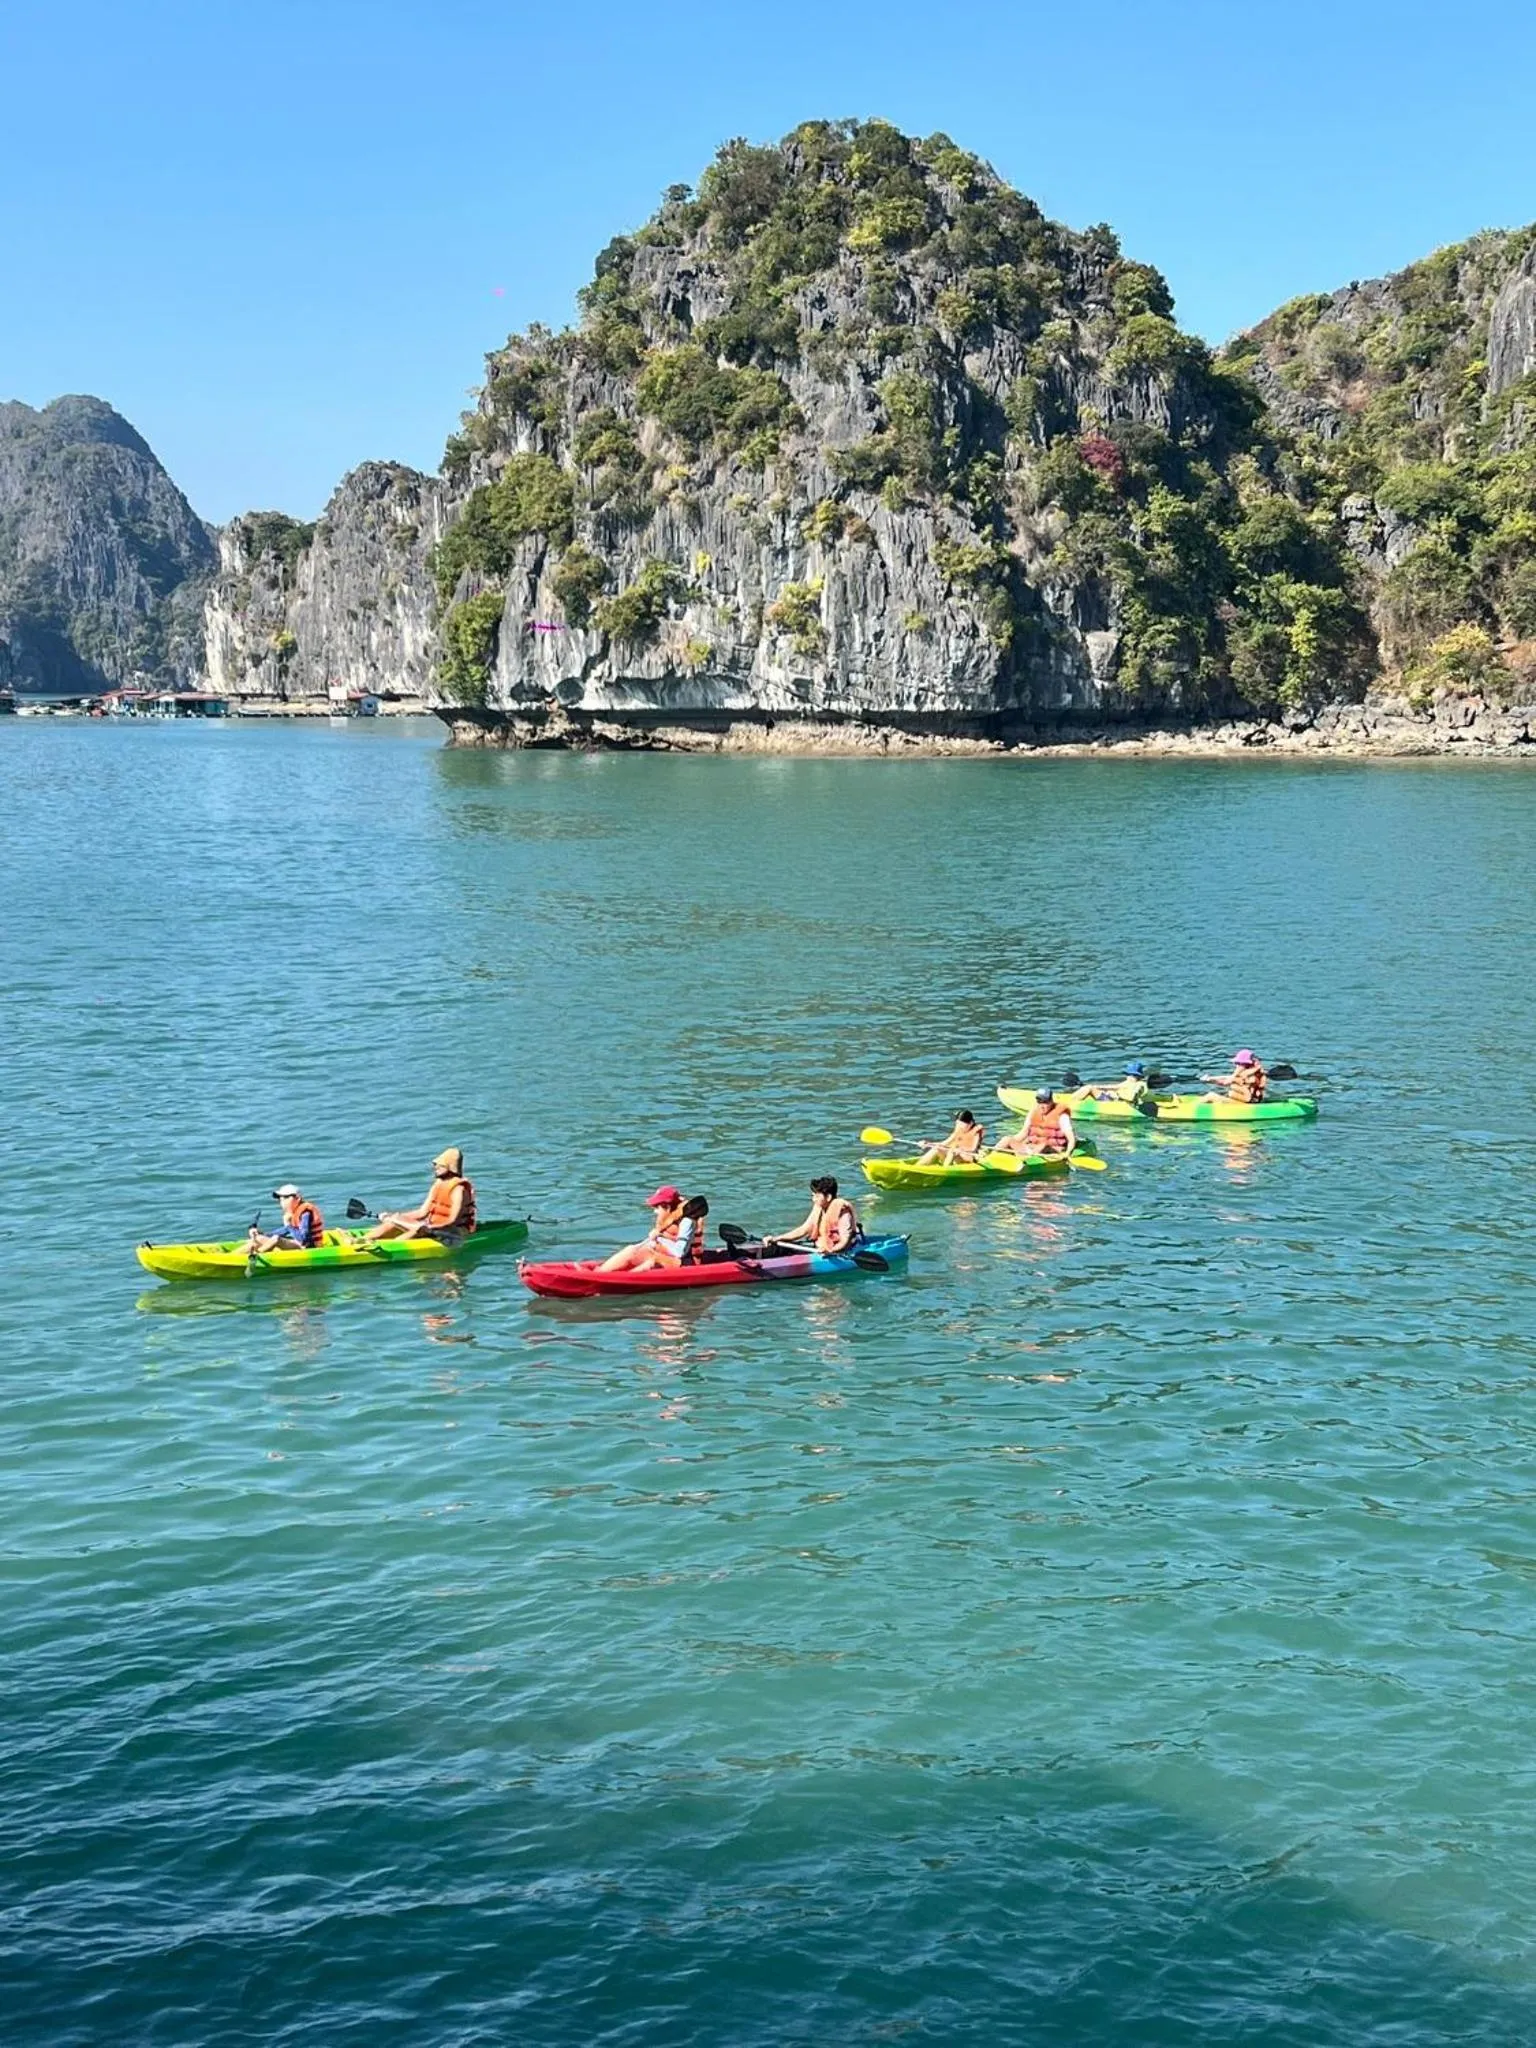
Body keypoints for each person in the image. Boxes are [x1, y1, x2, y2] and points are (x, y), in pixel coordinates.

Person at [362, 1148, 477, 1243]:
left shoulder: (458, 1189)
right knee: (394, 1220)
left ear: (450, 1167)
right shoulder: (438, 1185)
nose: (435, 1167)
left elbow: (453, 1220)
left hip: (454, 1231)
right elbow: (422, 1212)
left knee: (417, 1230)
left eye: (440, 1166)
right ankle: (364, 1239)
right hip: (432, 1226)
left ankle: (390, 1246)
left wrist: (430, 1227)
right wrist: (396, 1217)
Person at [598, 1186, 708, 1273]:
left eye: (657, 1208)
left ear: (667, 1207)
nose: (655, 1211)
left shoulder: (687, 1222)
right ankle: (600, 1273)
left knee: (651, 1260)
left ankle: (614, 1283)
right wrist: (652, 1242)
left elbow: (679, 1253)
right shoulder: (668, 1217)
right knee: (631, 1249)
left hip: (684, 1263)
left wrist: (659, 1241)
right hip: (669, 1257)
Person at [773, 1175, 862, 1256]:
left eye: (817, 1196)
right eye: (813, 1196)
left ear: (828, 1197)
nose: (813, 1199)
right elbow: (804, 1230)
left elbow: (845, 1241)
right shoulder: (819, 1208)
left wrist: (830, 1250)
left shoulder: (843, 1212)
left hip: (837, 1250)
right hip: (819, 1247)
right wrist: (777, 1238)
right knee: (775, 1250)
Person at [993, 1088, 1077, 1158]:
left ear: (1051, 1101)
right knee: (1006, 1139)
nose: (1042, 1105)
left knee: (1042, 1146)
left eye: (1045, 1102)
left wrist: (1067, 1153)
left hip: (1053, 1150)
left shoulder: (1062, 1116)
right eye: (1040, 1102)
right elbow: (1023, 1133)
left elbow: (1071, 1138)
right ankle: (989, 1157)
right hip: (1032, 1148)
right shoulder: (1033, 1112)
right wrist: (1010, 1142)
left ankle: (1026, 1160)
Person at [249, 1183, 326, 1255]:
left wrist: (288, 1224)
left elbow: (303, 1239)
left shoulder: (305, 1213)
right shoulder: (294, 1212)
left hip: (310, 1248)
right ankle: (239, 1256)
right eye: (280, 1198)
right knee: (259, 1238)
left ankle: (255, 1255)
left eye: (286, 1197)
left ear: (297, 1198)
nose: (282, 1201)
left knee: (277, 1239)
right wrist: (262, 1234)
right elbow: (285, 1230)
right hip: (298, 1244)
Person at [913, 1110, 986, 1166]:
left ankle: (944, 1171)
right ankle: (917, 1167)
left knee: (952, 1152)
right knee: (937, 1148)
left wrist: (960, 1150)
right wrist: (928, 1143)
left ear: (971, 1123)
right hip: (955, 1155)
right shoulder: (959, 1129)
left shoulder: (976, 1131)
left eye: (962, 1125)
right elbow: (946, 1142)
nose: (960, 1126)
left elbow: (973, 1149)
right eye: (958, 1124)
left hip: (968, 1158)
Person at [1201, 1049, 1268, 1104]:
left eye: (1238, 1063)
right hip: (1253, 1101)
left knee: (1211, 1096)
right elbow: (1228, 1078)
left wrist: (1209, 1080)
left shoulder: (1245, 1074)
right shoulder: (1253, 1072)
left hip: (1245, 1104)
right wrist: (1211, 1078)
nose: (1236, 1065)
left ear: (1244, 1064)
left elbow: (1225, 1082)